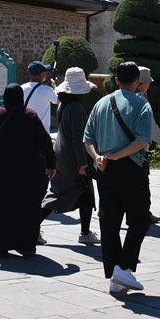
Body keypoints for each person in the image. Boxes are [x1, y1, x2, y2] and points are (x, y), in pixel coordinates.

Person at [85, 61, 154, 295]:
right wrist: (116, 155)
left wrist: (97, 157)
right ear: (138, 81)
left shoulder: (101, 103)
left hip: (104, 169)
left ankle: (115, 277)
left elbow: (88, 138)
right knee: (140, 219)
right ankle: (123, 268)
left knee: (109, 223)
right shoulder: (141, 105)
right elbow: (142, 140)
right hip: (130, 168)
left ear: (116, 80)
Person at [0, 84, 55, 256]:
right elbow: (45, 142)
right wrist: (50, 164)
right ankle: (26, 245)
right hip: (28, 169)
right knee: (27, 206)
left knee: (1, 206)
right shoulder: (31, 116)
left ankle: (1, 245)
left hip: (1, 169)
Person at [41, 68, 99, 244]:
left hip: (61, 152)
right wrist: (82, 164)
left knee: (84, 192)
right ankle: (30, 226)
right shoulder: (76, 107)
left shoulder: (63, 104)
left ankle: (85, 232)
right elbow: (77, 138)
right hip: (72, 156)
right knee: (61, 194)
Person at [135, 65, 160, 224]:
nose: (149, 85)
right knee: (142, 184)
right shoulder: (141, 101)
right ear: (141, 83)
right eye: (148, 82)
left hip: (120, 149)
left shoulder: (117, 98)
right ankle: (144, 213)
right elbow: (152, 127)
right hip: (139, 150)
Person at [21, 61, 58, 134]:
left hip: (26, 130)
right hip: (42, 131)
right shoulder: (47, 90)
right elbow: (58, 101)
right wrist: (55, 87)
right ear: (41, 75)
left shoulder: (21, 88)